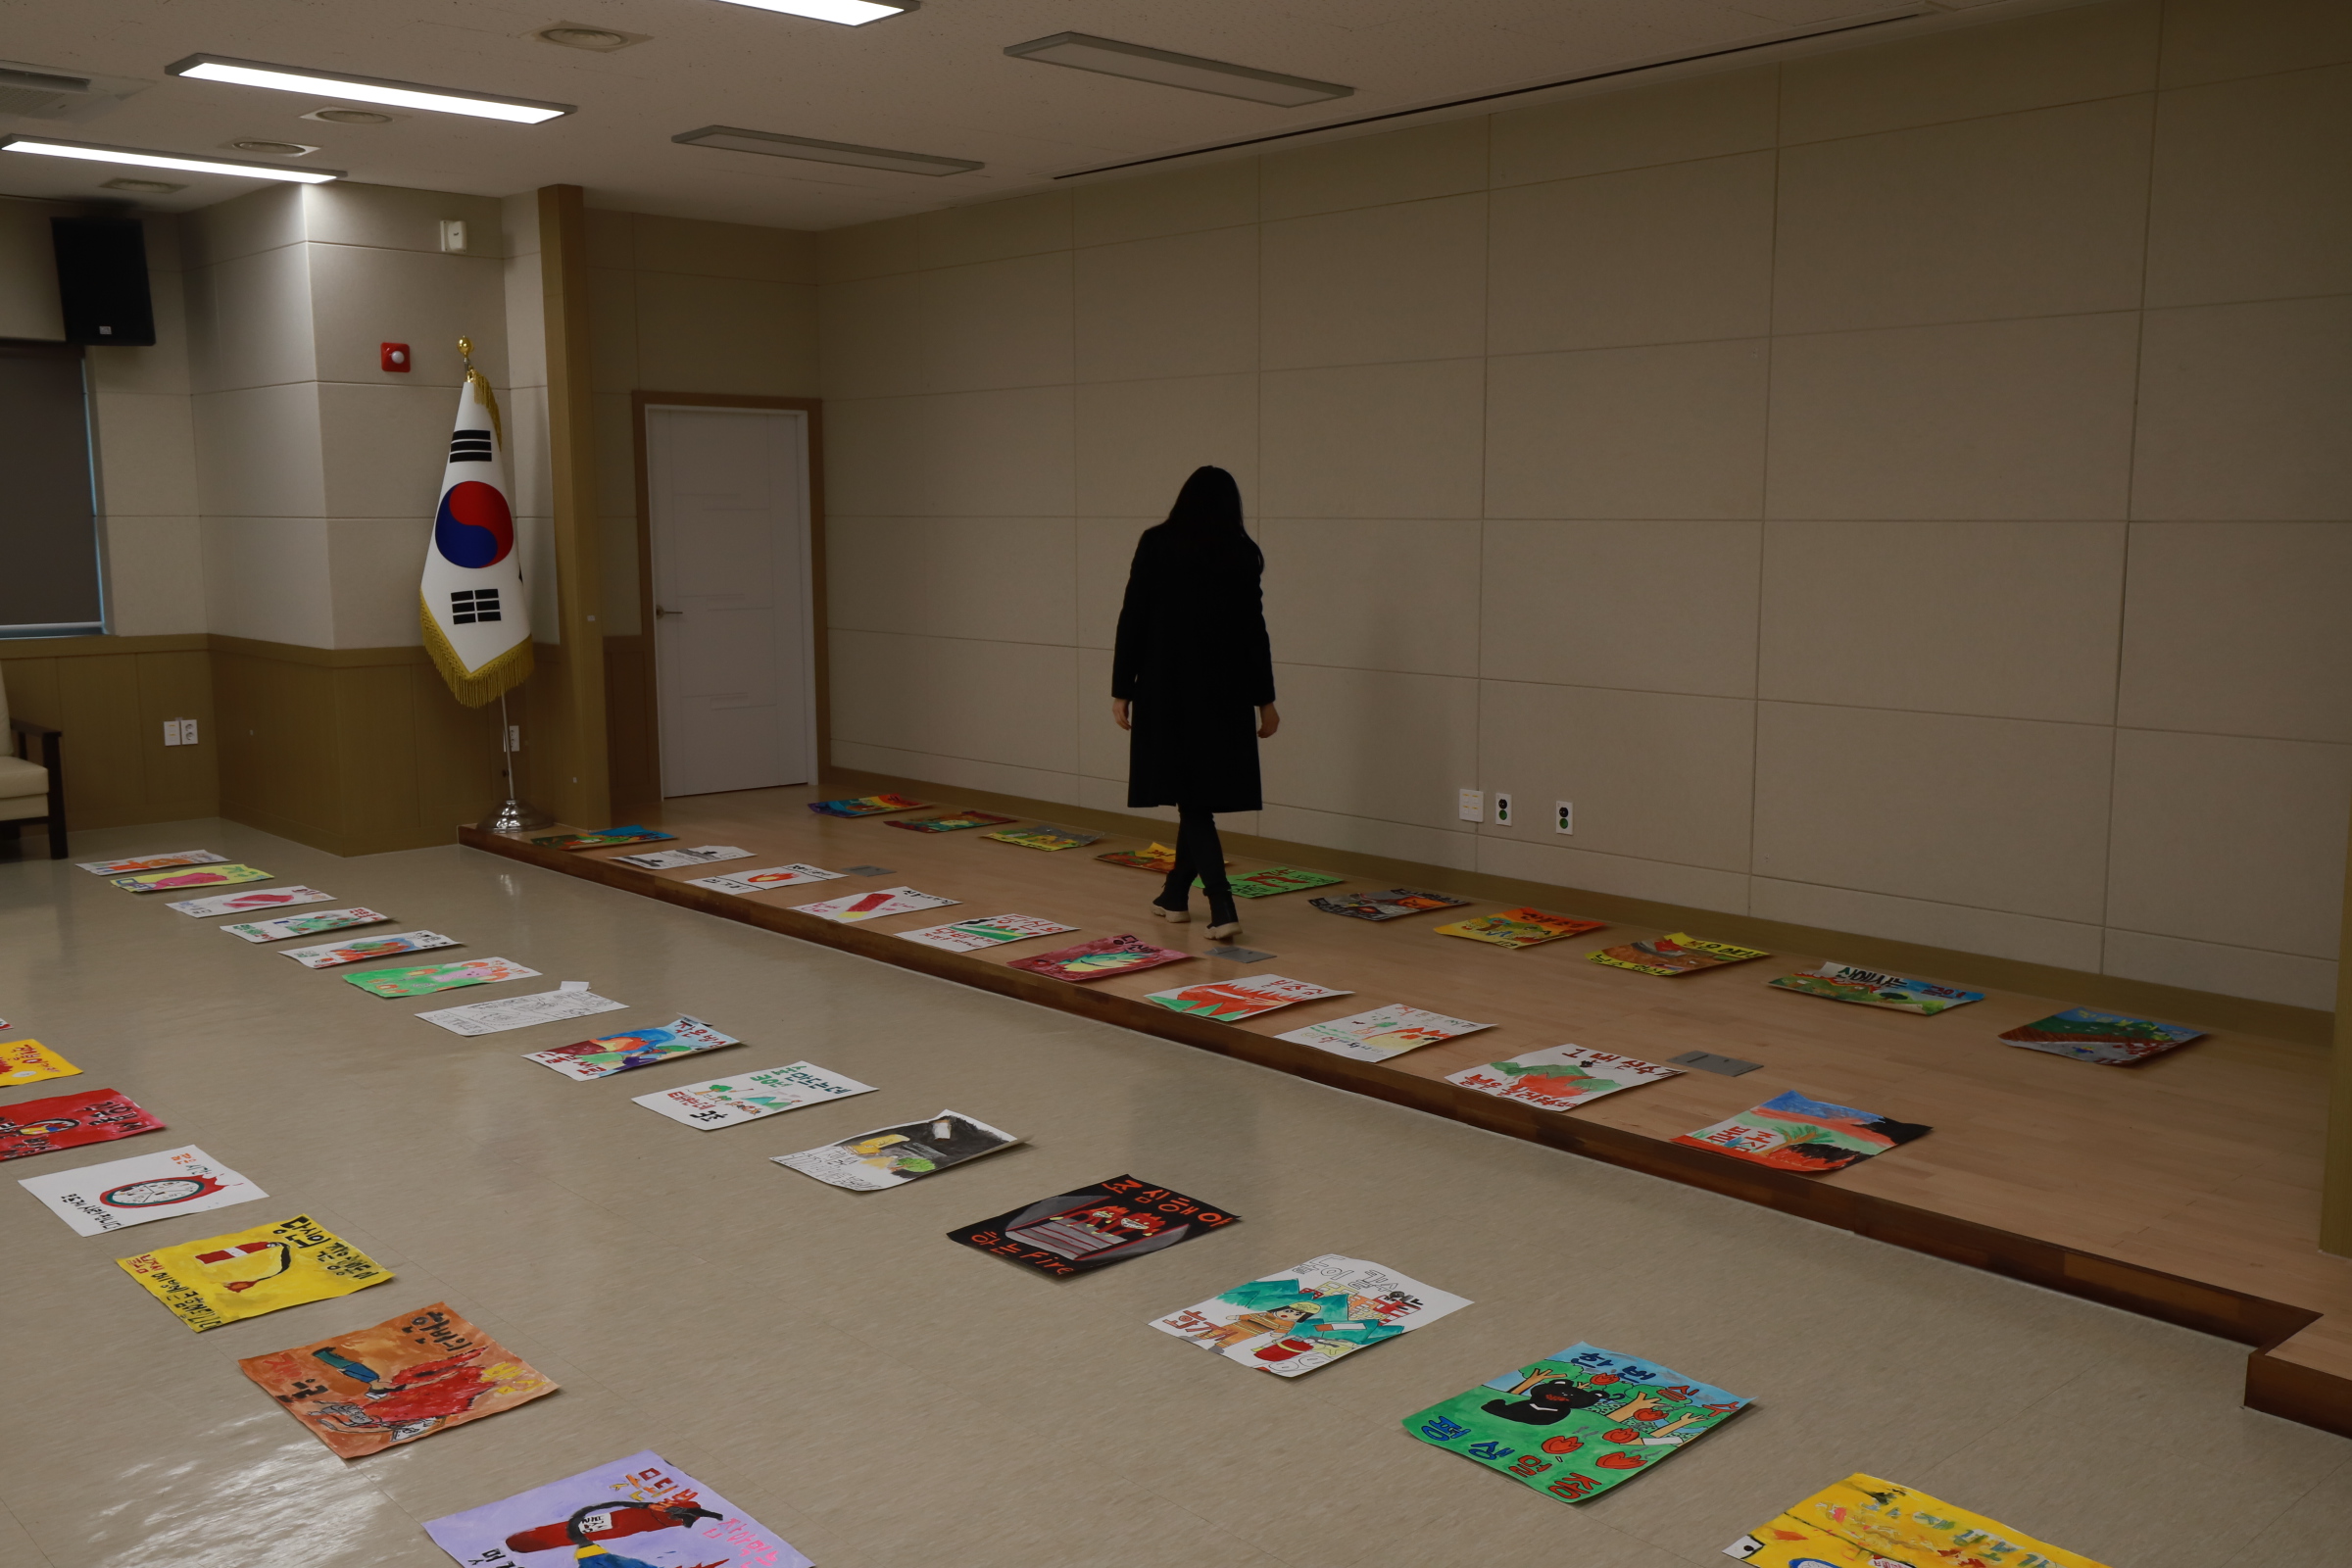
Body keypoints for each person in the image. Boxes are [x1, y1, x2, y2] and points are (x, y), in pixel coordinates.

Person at [1111, 466, 1279, 941]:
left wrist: (1123, 687)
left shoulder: (1157, 543)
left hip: (1167, 690)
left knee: (1194, 802)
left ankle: (1223, 907)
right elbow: (1254, 634)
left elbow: (1133, 617)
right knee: (1197, 797)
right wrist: (1265, 701)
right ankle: (1174, 895)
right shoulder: (1242, 552)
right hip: (1225, 695)